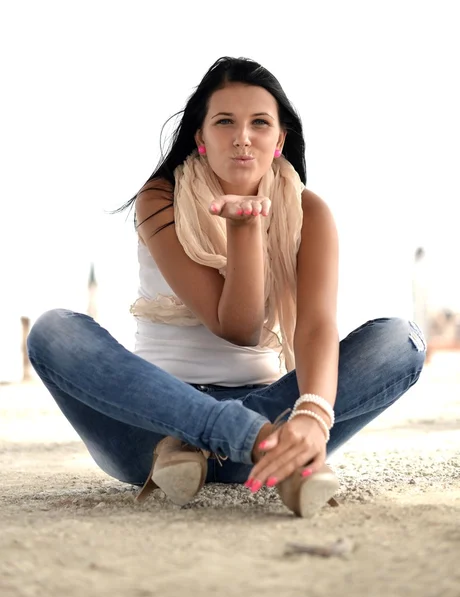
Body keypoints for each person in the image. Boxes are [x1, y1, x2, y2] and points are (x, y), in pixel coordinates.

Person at [27, 57, 426, 518]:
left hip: (266, 414)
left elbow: (315, 326)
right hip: (150, 422)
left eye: (259, 123)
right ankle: (252, 444)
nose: (242, 136)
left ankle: (242, 447)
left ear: (279, 139)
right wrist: (244, 229)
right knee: (54, 330)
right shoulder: (160, 198)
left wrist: (313, 417)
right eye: (224, 122)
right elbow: (236, 326)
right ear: (200, 136)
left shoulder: (309, 212)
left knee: (402, 340)